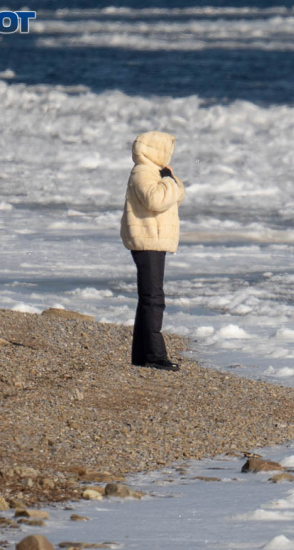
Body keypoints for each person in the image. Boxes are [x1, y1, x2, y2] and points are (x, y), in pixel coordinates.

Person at [120, 131, 186, 371]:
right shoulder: (142, 172)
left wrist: (170, 178)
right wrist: (168, 180)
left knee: (149, 298)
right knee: (154, 299)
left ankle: (142, 355)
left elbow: (177, 197)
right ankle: (154, 356)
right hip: (147, 240)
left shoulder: (153, 171)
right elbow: (155, 200)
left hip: (155, 241)